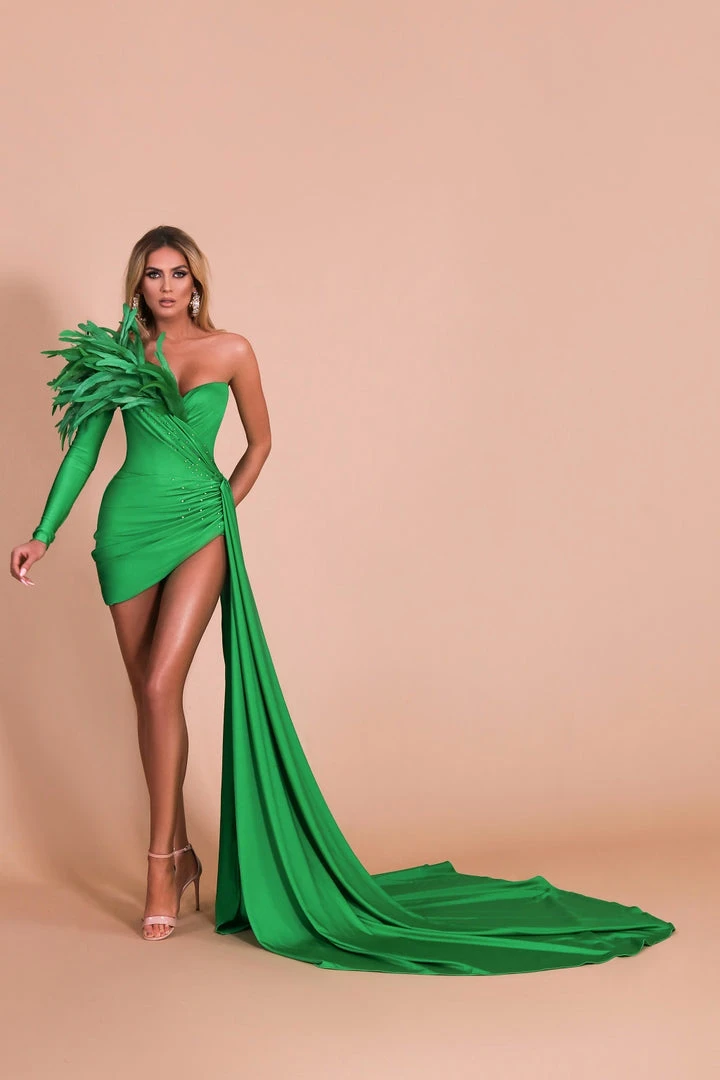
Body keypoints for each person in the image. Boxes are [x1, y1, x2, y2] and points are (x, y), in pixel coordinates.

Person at [10, 224, 676, 971]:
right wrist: (43, 532)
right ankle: (183, 850)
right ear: (138, 283)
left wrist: (223, 506)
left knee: (163, 683)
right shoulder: (119, 355)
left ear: (195, 283)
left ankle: (160, 864)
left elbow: (261, 442)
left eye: (178, 274)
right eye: (153, 274)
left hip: (201, 525)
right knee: (149, 695)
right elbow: (85, 450)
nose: (166, 286)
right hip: (127, 531)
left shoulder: (232, 350)